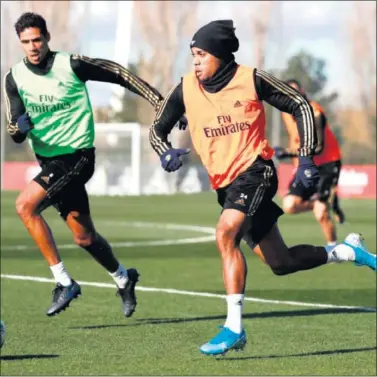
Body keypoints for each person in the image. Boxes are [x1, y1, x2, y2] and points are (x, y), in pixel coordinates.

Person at [149, 20, 376, 356]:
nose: (195, 61)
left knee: (225, 233)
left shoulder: (251, 79)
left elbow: (300, 105)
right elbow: (157, 129)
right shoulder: (184, 88)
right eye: (192, 55)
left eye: (201, 54)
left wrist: (306, 158)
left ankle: (233, 328)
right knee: (280, 263)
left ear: (222, 55)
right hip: (225, 185)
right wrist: (163, 151)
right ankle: (346, 251)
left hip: (256, 172)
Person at [3, 12, 167, 318]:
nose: (32, 46)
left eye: (37, 39)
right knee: (84, 237)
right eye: (26, 42)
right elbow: (13, 129)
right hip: (49, 161)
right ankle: (123, 278)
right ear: (20, 44)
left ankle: (64, 282)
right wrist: (18, 128)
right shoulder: (13, 77)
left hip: (77, 156)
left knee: (25, 206)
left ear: (47, 37)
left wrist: (159, 101)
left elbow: (117, 71)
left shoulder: (71, 64)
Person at [274, 79, 345, 247]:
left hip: (328, 163)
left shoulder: (315, 112)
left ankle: (334, 247)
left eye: (296, 92)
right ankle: (322, 202)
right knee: (289, 205)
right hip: (306, 165)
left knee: (321, 214)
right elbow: (296, 137)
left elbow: (318, 147)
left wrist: (287, 153)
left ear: (303, 91)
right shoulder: (286, 113)